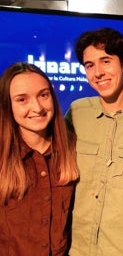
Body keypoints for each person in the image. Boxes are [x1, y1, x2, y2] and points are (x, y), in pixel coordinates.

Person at [65, 27, 123, 256]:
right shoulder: (77, 113)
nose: (98, 72)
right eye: (90, 65)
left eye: (106, 61)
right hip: (76, 249)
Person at [0, 62, 79, 256]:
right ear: (7, 106)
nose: (37, 107)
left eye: (43, 95)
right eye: (22, 99)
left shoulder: (71, 149)